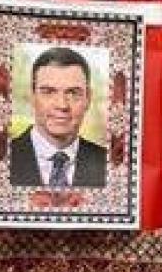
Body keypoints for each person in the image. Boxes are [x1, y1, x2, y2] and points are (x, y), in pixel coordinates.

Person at [8, 46, 107, 188]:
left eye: (73, 93)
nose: (62, 105)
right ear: (32, 96)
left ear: (88, 99)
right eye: (48, 92)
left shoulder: (110, 165)